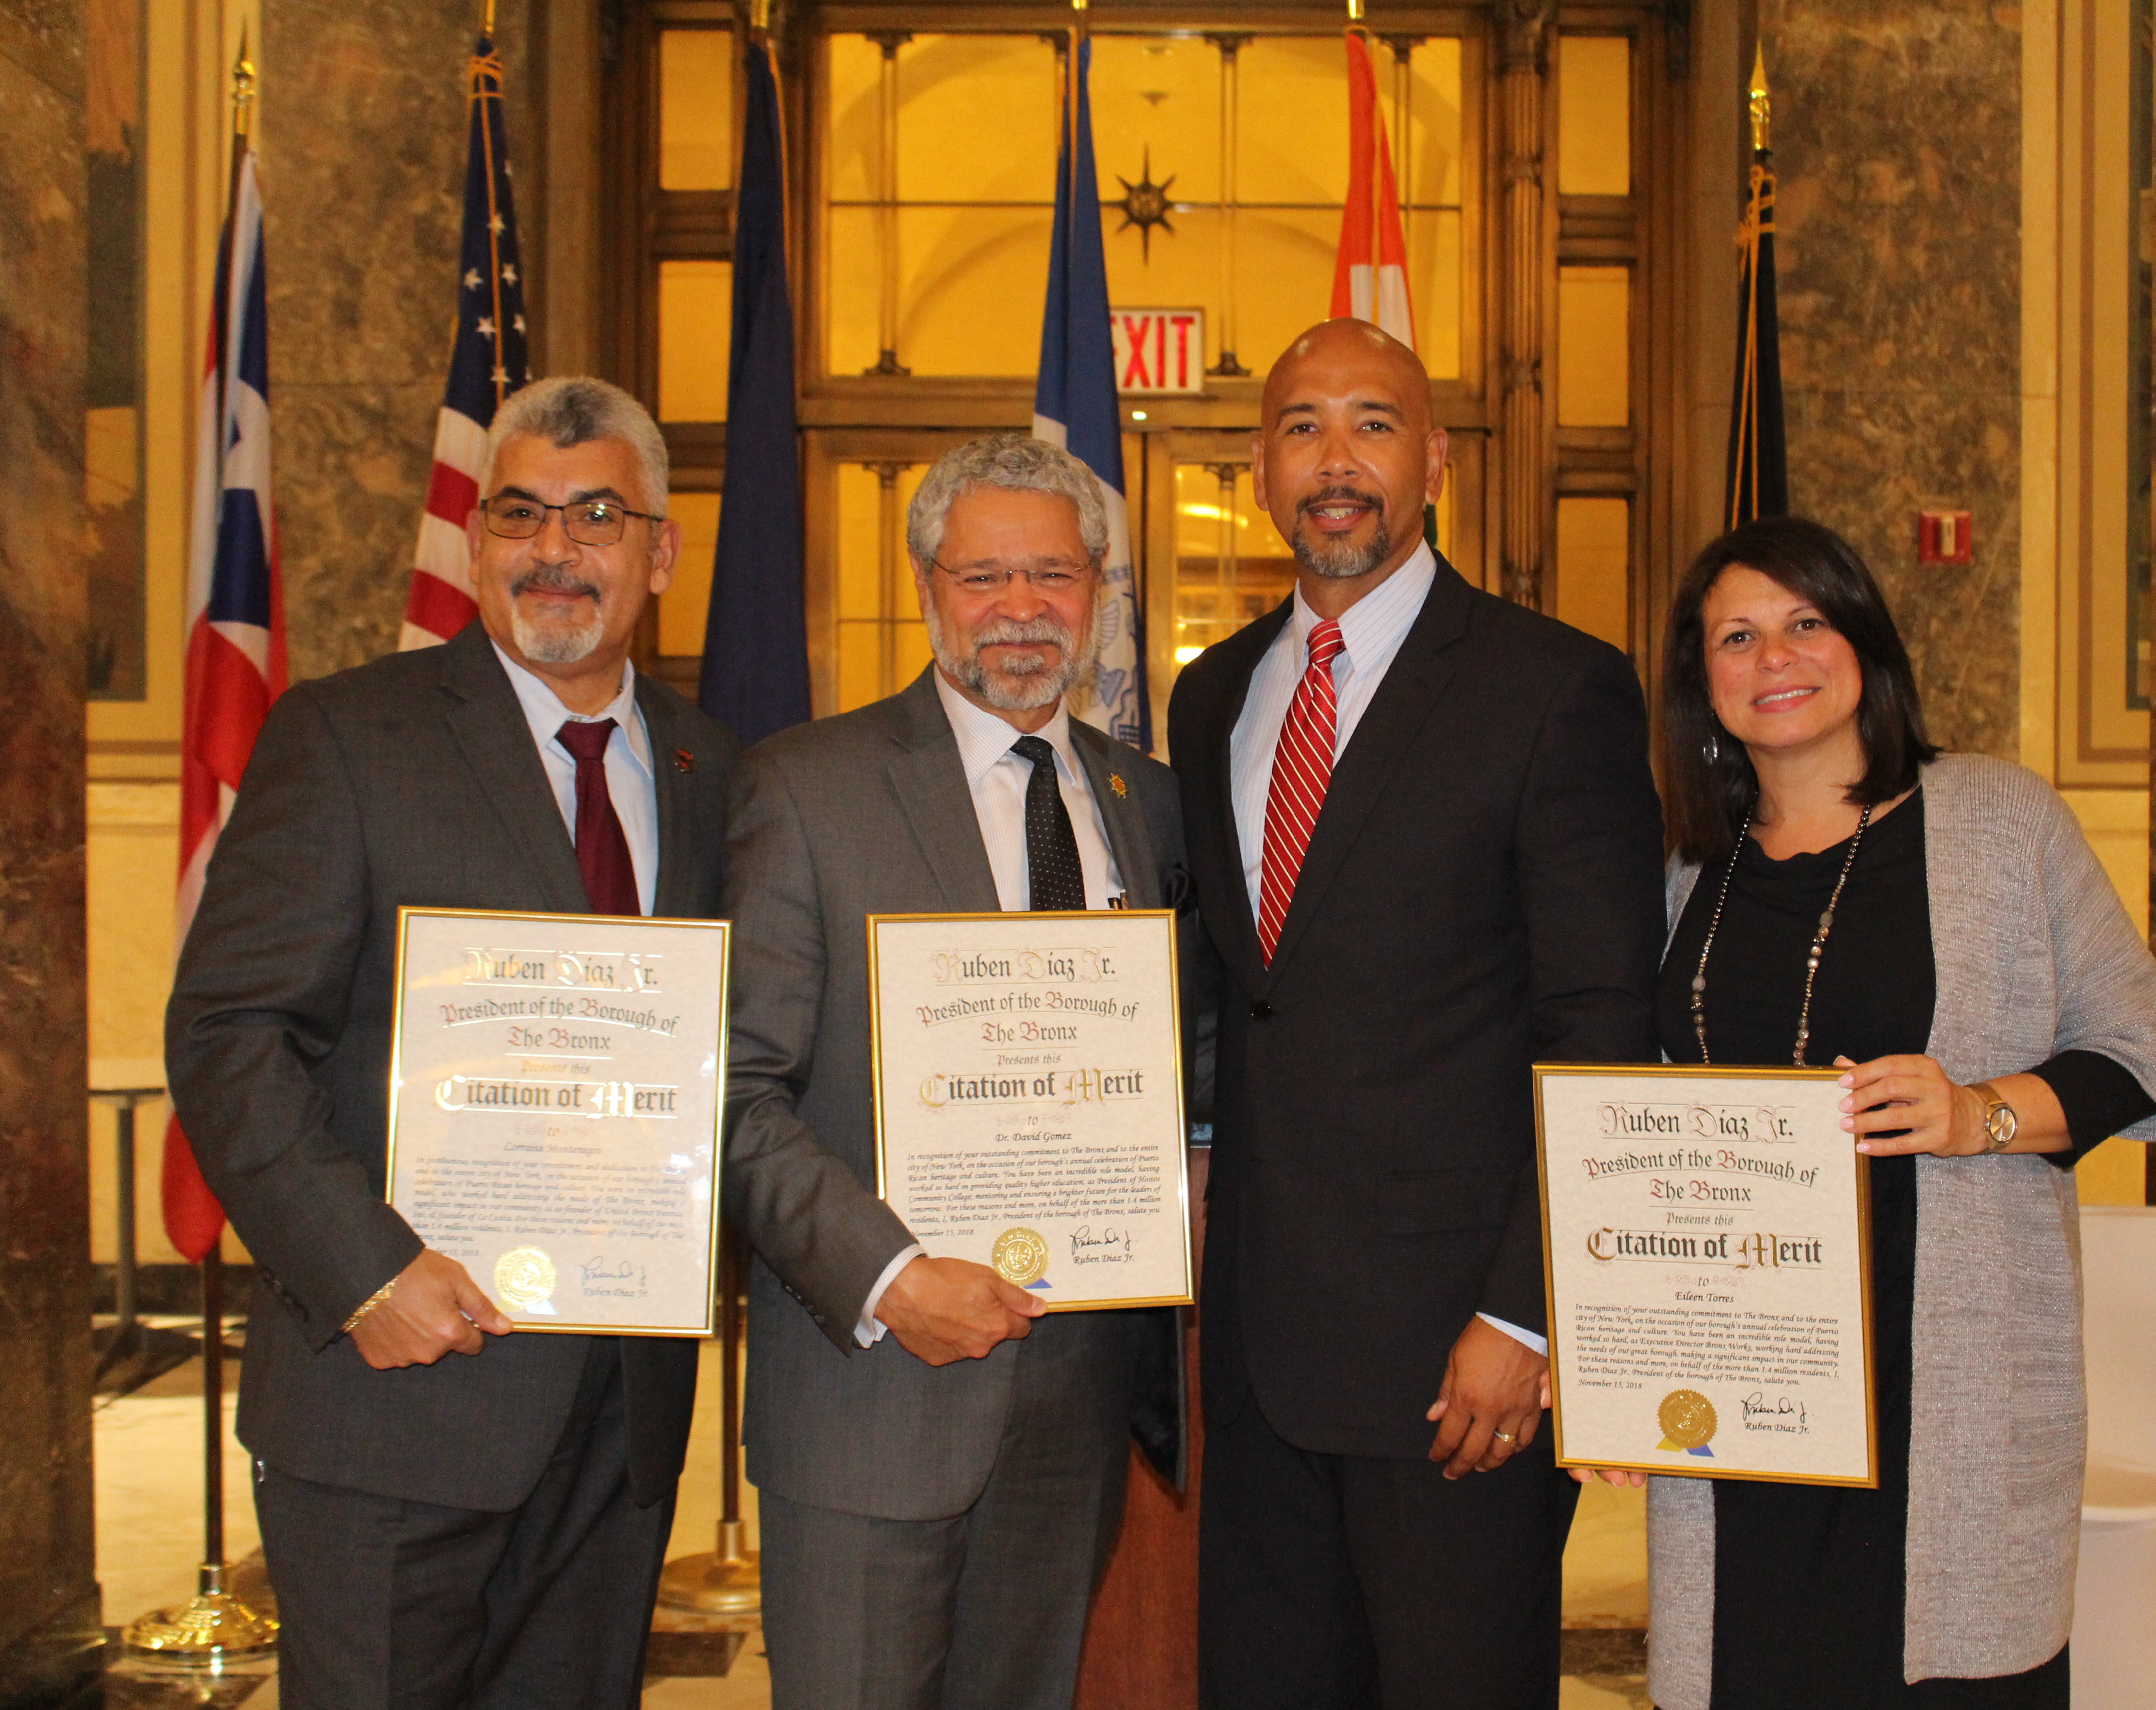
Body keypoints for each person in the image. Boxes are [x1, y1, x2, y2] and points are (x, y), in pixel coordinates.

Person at [164, 376, 737, 1708]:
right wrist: (366, 1274)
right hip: (392, 1399)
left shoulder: (714, 771)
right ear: (475, 546)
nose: (554, 551)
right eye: (520, 514)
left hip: (618, 1410)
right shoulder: (351, 738)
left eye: (596, 516)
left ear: (659, 551)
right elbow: (230, 1031)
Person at [1167, 319, 1665, 1710]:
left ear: (1436, 457)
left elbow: (1602, 1020)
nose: (1337, 461)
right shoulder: (1209, 699)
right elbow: (1239, 995)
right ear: (1261, 465)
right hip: (1262, 1352)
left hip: (1457, 1359)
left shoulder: (1552, 687)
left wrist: (1528, 1312)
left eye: (1374, 424)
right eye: (1304, 427)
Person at [1632, 516, 2156, 1709]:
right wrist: (1628, 1359)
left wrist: (1978, 1111)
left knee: (1952, 1669)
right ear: (1702, 681)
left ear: (1863, 644)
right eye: (1738, 636)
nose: (1774, 657)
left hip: (1947, 1376)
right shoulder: (1687, 872)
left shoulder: (1997, 819)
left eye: (1805, 623)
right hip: (1747, 1389)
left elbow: (2143, 1055)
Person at [719, 433, 1191, 1710]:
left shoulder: (1149, 803)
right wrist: (889, 1275)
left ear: (1101, 592)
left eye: (1054, 575)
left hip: (1075, 1403)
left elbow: (1181, 1062)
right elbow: (736, 1092)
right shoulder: (807, 790)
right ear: (930, 588)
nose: (1023, 611)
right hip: (873, 1391)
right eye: (986, 578)